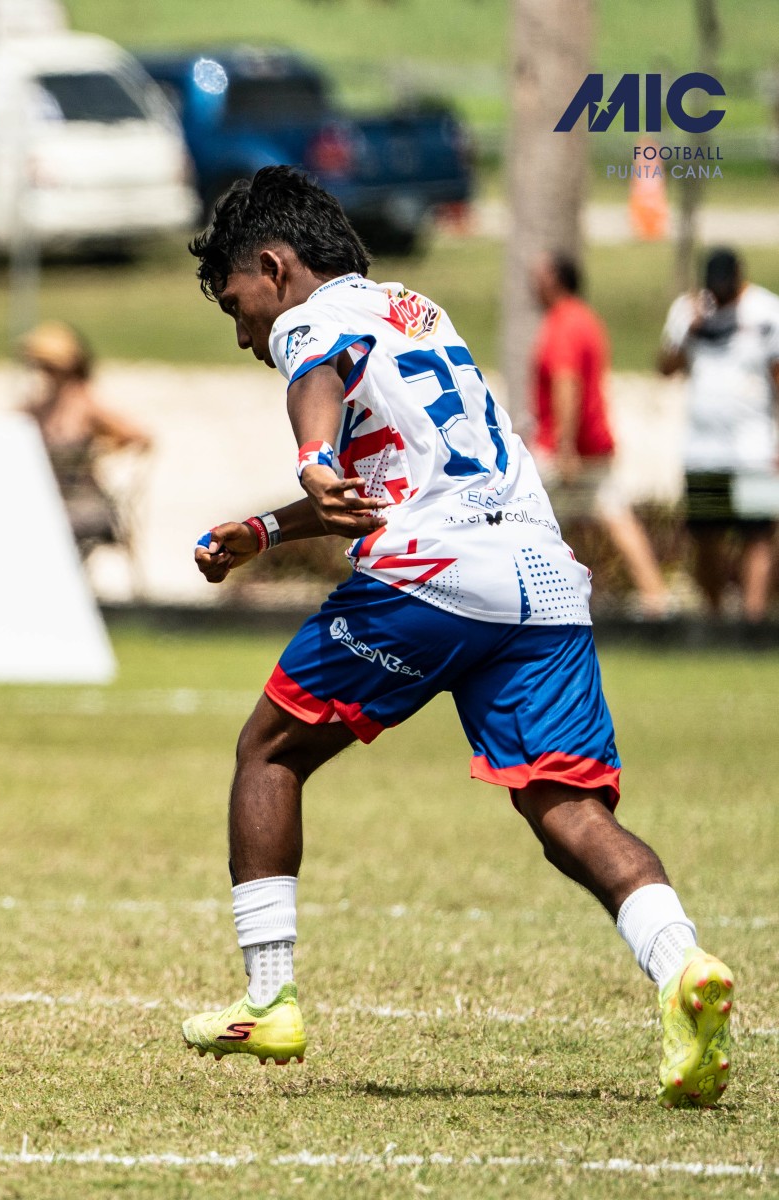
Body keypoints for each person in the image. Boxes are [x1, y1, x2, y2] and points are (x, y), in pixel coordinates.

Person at [183, 166, 735, 1108]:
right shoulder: (418, 313)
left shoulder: (313, 319)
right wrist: (268, 529)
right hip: (541, 580)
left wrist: (310, 457)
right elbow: (388, 486)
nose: (245, 335)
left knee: (268, 752)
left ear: (274, 268)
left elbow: (314, 379)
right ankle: (684, 966)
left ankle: (269, 999)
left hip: (434, 578)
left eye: (238, 307)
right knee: (567, 810)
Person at [530, 251, 669, 617]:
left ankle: (528, 601)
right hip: (594, 443)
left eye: (540, 274)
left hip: (565, 448)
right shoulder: (586, 319)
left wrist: (564, 446)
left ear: (555, 279)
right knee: (616, 516)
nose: (533, 281)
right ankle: (656, 597)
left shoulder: (563, 323)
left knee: (524, 515)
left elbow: (566, 382)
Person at [657, 247, 779, 621]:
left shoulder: (765, 312)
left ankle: (752, 622)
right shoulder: (687, 310)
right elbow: (666, 368)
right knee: (705, 535)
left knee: (756, 534)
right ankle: (716, 620)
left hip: (754, 447)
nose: (720, 294)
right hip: (704, 450)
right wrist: (687, 331)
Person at [19, 320, 152, 559]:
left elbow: (139, 437)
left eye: (50, 366)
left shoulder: (85, 404)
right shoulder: (36, 407)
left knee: (46, 525)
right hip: (47, 497)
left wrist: (101, 452)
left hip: (84, 501)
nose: (45, 371)